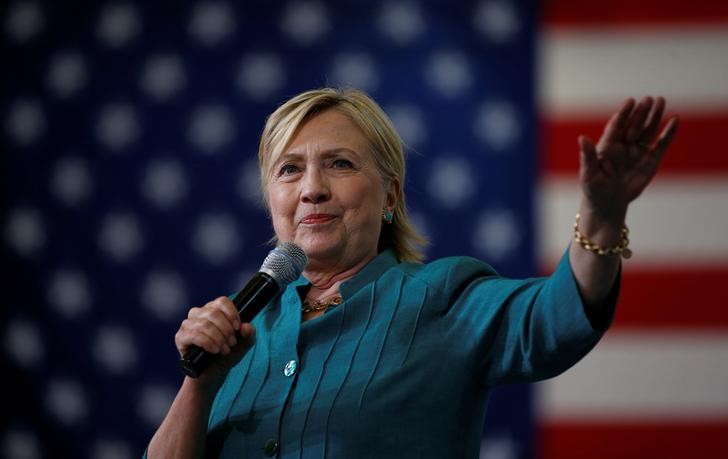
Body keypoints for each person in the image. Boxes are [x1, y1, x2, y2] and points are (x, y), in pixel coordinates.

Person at [145, 88, 678, 458]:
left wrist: (603, 219)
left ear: (391, 197)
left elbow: (555, 316)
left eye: (340, 164)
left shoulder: (441, 297)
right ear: (272, 200)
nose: (312, 188)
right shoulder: (237, 330)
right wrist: (200, 385)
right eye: (289, 170)